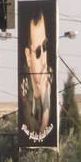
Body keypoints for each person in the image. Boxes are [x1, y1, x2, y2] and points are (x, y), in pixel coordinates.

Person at [19, 9, 54, 142]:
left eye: (45, 47)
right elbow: (35, 135)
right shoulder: (24, 92)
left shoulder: (52, 81)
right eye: (38, 52)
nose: (44, 59)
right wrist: (46, 110)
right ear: (28, 57)